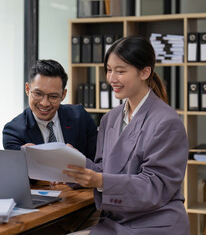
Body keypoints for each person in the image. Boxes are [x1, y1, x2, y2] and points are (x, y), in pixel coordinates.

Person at [63, 36, 189, 234]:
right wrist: (71, 161)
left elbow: (155, 187)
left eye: (120, 71)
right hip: (118, 221)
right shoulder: (110, 119)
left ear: (145, 72)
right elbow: (105, 168)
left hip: (154, 224)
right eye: (109, 70)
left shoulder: (166, 121)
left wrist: (101, 181)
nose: (112, 78)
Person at [3, 59, 97, 161]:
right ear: (27, 89)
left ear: (63, 95)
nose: (45, 103)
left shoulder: (80, 118)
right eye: (38, 94)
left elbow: (97, 162)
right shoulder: (13, 132)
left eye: (53, 96)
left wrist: (78, 159)